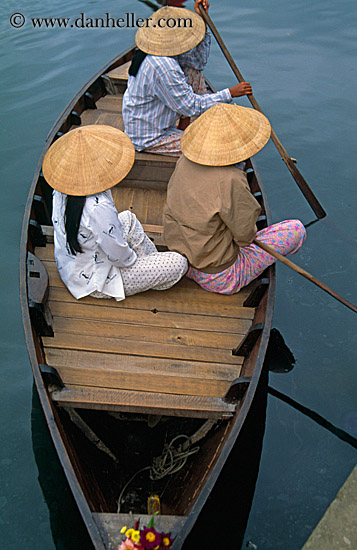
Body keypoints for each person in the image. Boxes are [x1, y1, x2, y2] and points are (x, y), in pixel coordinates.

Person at [163, 103, 306, 294]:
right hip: (218, 277)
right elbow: (246, 236)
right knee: (296, 229)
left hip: (179, 258)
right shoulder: (231, 179)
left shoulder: (184, 160)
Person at [42, 125, 187, 301]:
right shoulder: (97, 206)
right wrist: (133, 259)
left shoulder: (62, 188)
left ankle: (151, 263)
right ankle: (151, 269)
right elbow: (119, 258)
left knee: (128, 218)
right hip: (98, 281)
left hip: (74, 266)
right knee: (179, 263)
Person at [122, 1, 252, 156]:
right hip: (150, 137)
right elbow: (191, 106)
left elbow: (198, 61)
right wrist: (229, 93)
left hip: (160, 119)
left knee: (193, 71)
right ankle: (186, 130)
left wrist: (202, 18)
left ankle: (188, 125)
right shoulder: (163, 67)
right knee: (216, 147)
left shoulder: (159, 51)